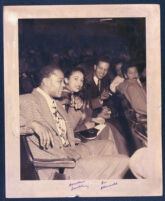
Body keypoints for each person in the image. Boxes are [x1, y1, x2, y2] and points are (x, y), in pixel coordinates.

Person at [20, 64, 129, 180]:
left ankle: (100, 187)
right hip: (60, 166)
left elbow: (69, 129)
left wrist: (76, 108)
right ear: (46, 81)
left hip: (70, 151)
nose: (63, 85)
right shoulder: (27, 99)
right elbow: (7, 118)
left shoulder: (56, 103)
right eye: (60, 81)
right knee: (124, 161)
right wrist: (32, 124)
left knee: (109, 145)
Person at [61, 67, 129, 155]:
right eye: (76, 79)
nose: (79, 83)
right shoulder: (64, 98)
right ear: (66, 80)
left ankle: (121, 158)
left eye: (81, 80)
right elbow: (66, 129)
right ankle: (120, 158)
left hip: (81, 130)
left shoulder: (74, 96)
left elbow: (87, 107)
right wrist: (86, 125)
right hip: (74, 139)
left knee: (109, 127)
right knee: (107, 129)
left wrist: (93, 119)